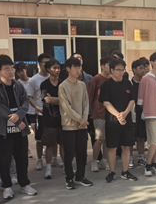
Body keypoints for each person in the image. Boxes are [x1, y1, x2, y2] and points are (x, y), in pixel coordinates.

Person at [0, 55, 37, 199]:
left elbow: (25, 102)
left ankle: (24, 184)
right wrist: (16, 120)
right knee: (4, 159)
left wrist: (19, 116)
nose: (11, 71)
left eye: (12, 68)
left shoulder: (18, 85)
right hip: (3, 130)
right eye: (7, 69)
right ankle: (7, 187)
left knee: (22, 159)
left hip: (20, 130)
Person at [98, 59, 138, 182]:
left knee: (126, 146)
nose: (121, 72)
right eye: (118, 70)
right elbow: (106, 102)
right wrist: (118, 116)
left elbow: (132, 100)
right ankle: (112, 172)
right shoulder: (107, 85)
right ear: (112, 70)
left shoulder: (127, 83)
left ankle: (125, 171)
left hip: (127, 120)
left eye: (122, 70)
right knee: (112, 147)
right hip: (112, 120)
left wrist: (125, 114)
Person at [58, 57, 93, 190]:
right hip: (69, 126)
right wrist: (81, 120)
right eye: (75, 68)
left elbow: (86, 104)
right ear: (68, 69)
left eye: (79, 68)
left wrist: (84, 120)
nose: (78, 71)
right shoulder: (63, 86)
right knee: (69, 154)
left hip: (82, 126)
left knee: (82, 153)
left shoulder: (82, 85)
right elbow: (66, 107)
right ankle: (69, 178)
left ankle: (80, 176)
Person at [137, 52, 156, 177]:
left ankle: (154, 164)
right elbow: (140, 99)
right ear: (151, 63)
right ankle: (148, 165)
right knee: (154, 142)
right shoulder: (146, 79)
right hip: (151, 114)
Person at [40, 59, 64, 180]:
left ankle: (66, 166)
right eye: (54, 68)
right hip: (49, 119)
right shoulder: (44, 84)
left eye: (58, 68)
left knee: (63, 144)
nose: (57, 70)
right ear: (48, 69)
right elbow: (47, 100)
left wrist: (56, 99)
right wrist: (61, 99)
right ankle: (48, 168)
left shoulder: (63, 83)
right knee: (49, 145)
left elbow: (68, 100)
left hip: (63, 118)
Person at [30, 53, 53, 170]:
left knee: (54, 137)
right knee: (39, 138)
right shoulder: (34, 80)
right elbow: (29, 97)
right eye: (45, 62)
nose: (48, 65)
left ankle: (54, 158)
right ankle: (39, 160)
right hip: (41, 113)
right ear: (39, 64)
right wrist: (37, 108)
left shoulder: (53, 77)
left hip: (53, 113)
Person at [88, 57, 111, 172]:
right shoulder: (96, 79)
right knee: (99, 139)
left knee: (107, 139)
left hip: (110, 113)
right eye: (108, 65)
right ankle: (94, 161)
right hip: (98, 114)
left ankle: (104, 161)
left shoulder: (112, 79)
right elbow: (89, 97)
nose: (110, 68)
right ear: (102, 66)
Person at [15, 61, 35, 158]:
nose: (21, 73)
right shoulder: (17, 83)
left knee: (36, 129)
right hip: (23, 111)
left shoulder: (32, 81)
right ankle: (27, 150)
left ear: (26, 70)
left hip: (33, 110)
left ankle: (42, 148)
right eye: (19, 71)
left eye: (23, 70)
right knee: (24, 131)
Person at [130, 59, 147, 167]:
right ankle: (130, 158)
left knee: (141, 137)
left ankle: (141, 156)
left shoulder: (146, 82)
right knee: (130, 138)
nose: (143, 70)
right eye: (140, 68)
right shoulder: (129, 83)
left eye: (144, 68)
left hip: (143, 113)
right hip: (131, 113)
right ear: (134, 70)